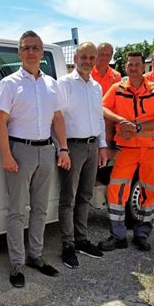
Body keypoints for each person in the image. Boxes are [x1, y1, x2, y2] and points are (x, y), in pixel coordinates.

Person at [0, 30, 71, 288]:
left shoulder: (51, 84)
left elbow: (58, 118)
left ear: (41, 53)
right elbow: (0, 121)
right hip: (20, 151)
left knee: (40, 208)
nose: (31, 52)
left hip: (46, 150)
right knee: (17, 211)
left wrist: (63, 148)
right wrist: (6, 154)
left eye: (35, 47)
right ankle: (17, 264)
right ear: (19, 53)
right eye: (26, 48)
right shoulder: (10, 83)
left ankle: (36, 256)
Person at [98, 51, 154, 252]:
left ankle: (142, 235)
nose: (133, 68)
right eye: (130, 64)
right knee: (116, 189)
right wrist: (120, 120)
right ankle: (118, 235)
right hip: (126, 149)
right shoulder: (117, 87)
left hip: (151, 149)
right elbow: (102, 108)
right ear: (126, 67)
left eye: (137, 64)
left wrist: (138, 127)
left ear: (143, 67)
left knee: (149, 191)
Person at [56, 42, 108, 268]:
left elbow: (99, 118)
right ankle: (67, 245)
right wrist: (63, 148)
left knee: (85, 195)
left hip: (92, 146)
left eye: (91, 58)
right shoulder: (64, 84)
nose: (87, 61)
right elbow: (56, 118)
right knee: (68, 197)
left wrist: (103, 145)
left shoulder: (96, 87)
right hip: (73, 147)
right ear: (76, 58)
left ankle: (81, 239)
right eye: (84, 57)